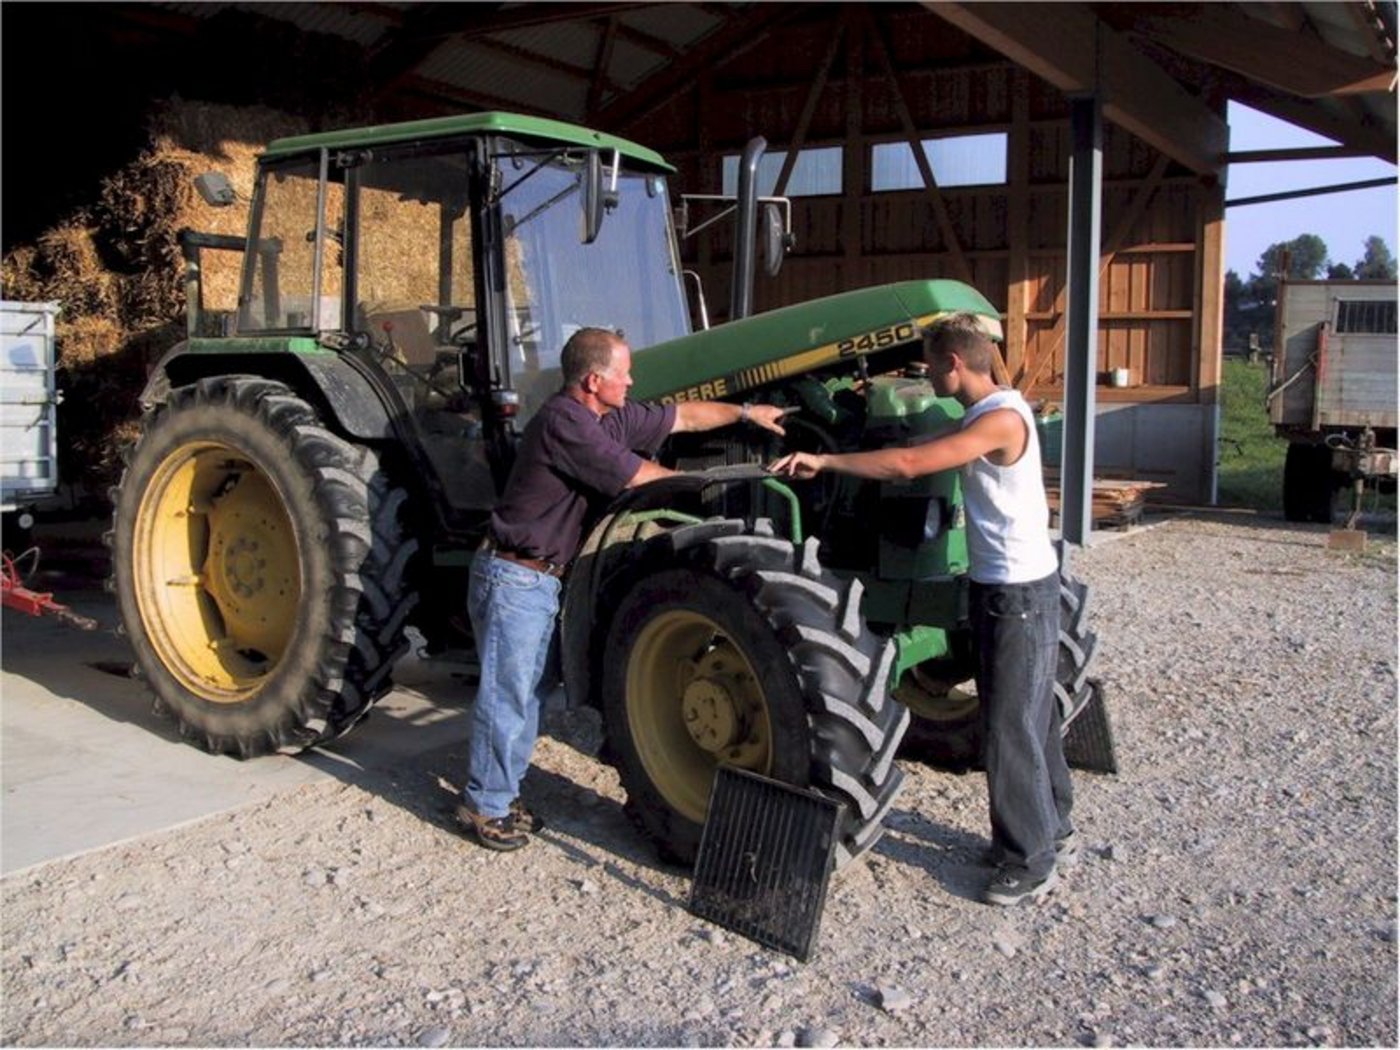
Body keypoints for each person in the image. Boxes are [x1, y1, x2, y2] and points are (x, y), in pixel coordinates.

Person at [769, 312, 1074, 906]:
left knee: (1009, 723)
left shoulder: (1000, 420)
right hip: (1010, 586)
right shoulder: (996, 409)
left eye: (931, 364)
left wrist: (825, 462)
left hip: (1015, 594)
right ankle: (1051, 825)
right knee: (1028, 713)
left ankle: (1029, 860)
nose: (927, 374)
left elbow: (909, 466)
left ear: (955, 363)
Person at [458, 326, 788, 851]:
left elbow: (684, 415)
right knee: (510, 696)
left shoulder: (606, 417)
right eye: (623, 373)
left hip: (543, 579)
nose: (632, 381)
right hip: (515, 577)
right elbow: (638, 479)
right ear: (593, 380)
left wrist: (748, 414)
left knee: (534, 695)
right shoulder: (566, 423)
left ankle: (501, 792)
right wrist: (710, 489)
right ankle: (485, 805)